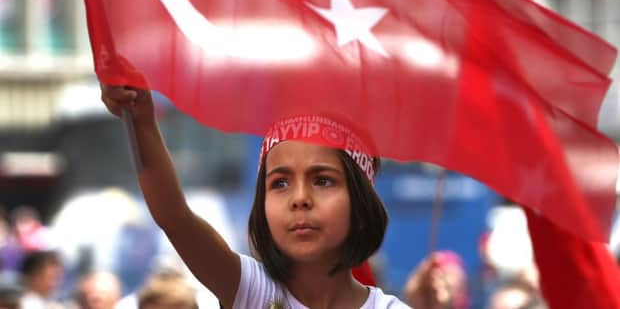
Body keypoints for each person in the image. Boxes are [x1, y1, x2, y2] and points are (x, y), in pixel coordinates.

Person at [100, 85, 410, 308]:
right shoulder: (252, 291)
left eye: (323, 181)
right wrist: (141, 121)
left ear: (360, 203)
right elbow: (174, 217)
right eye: (280, 184)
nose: (299, 199)